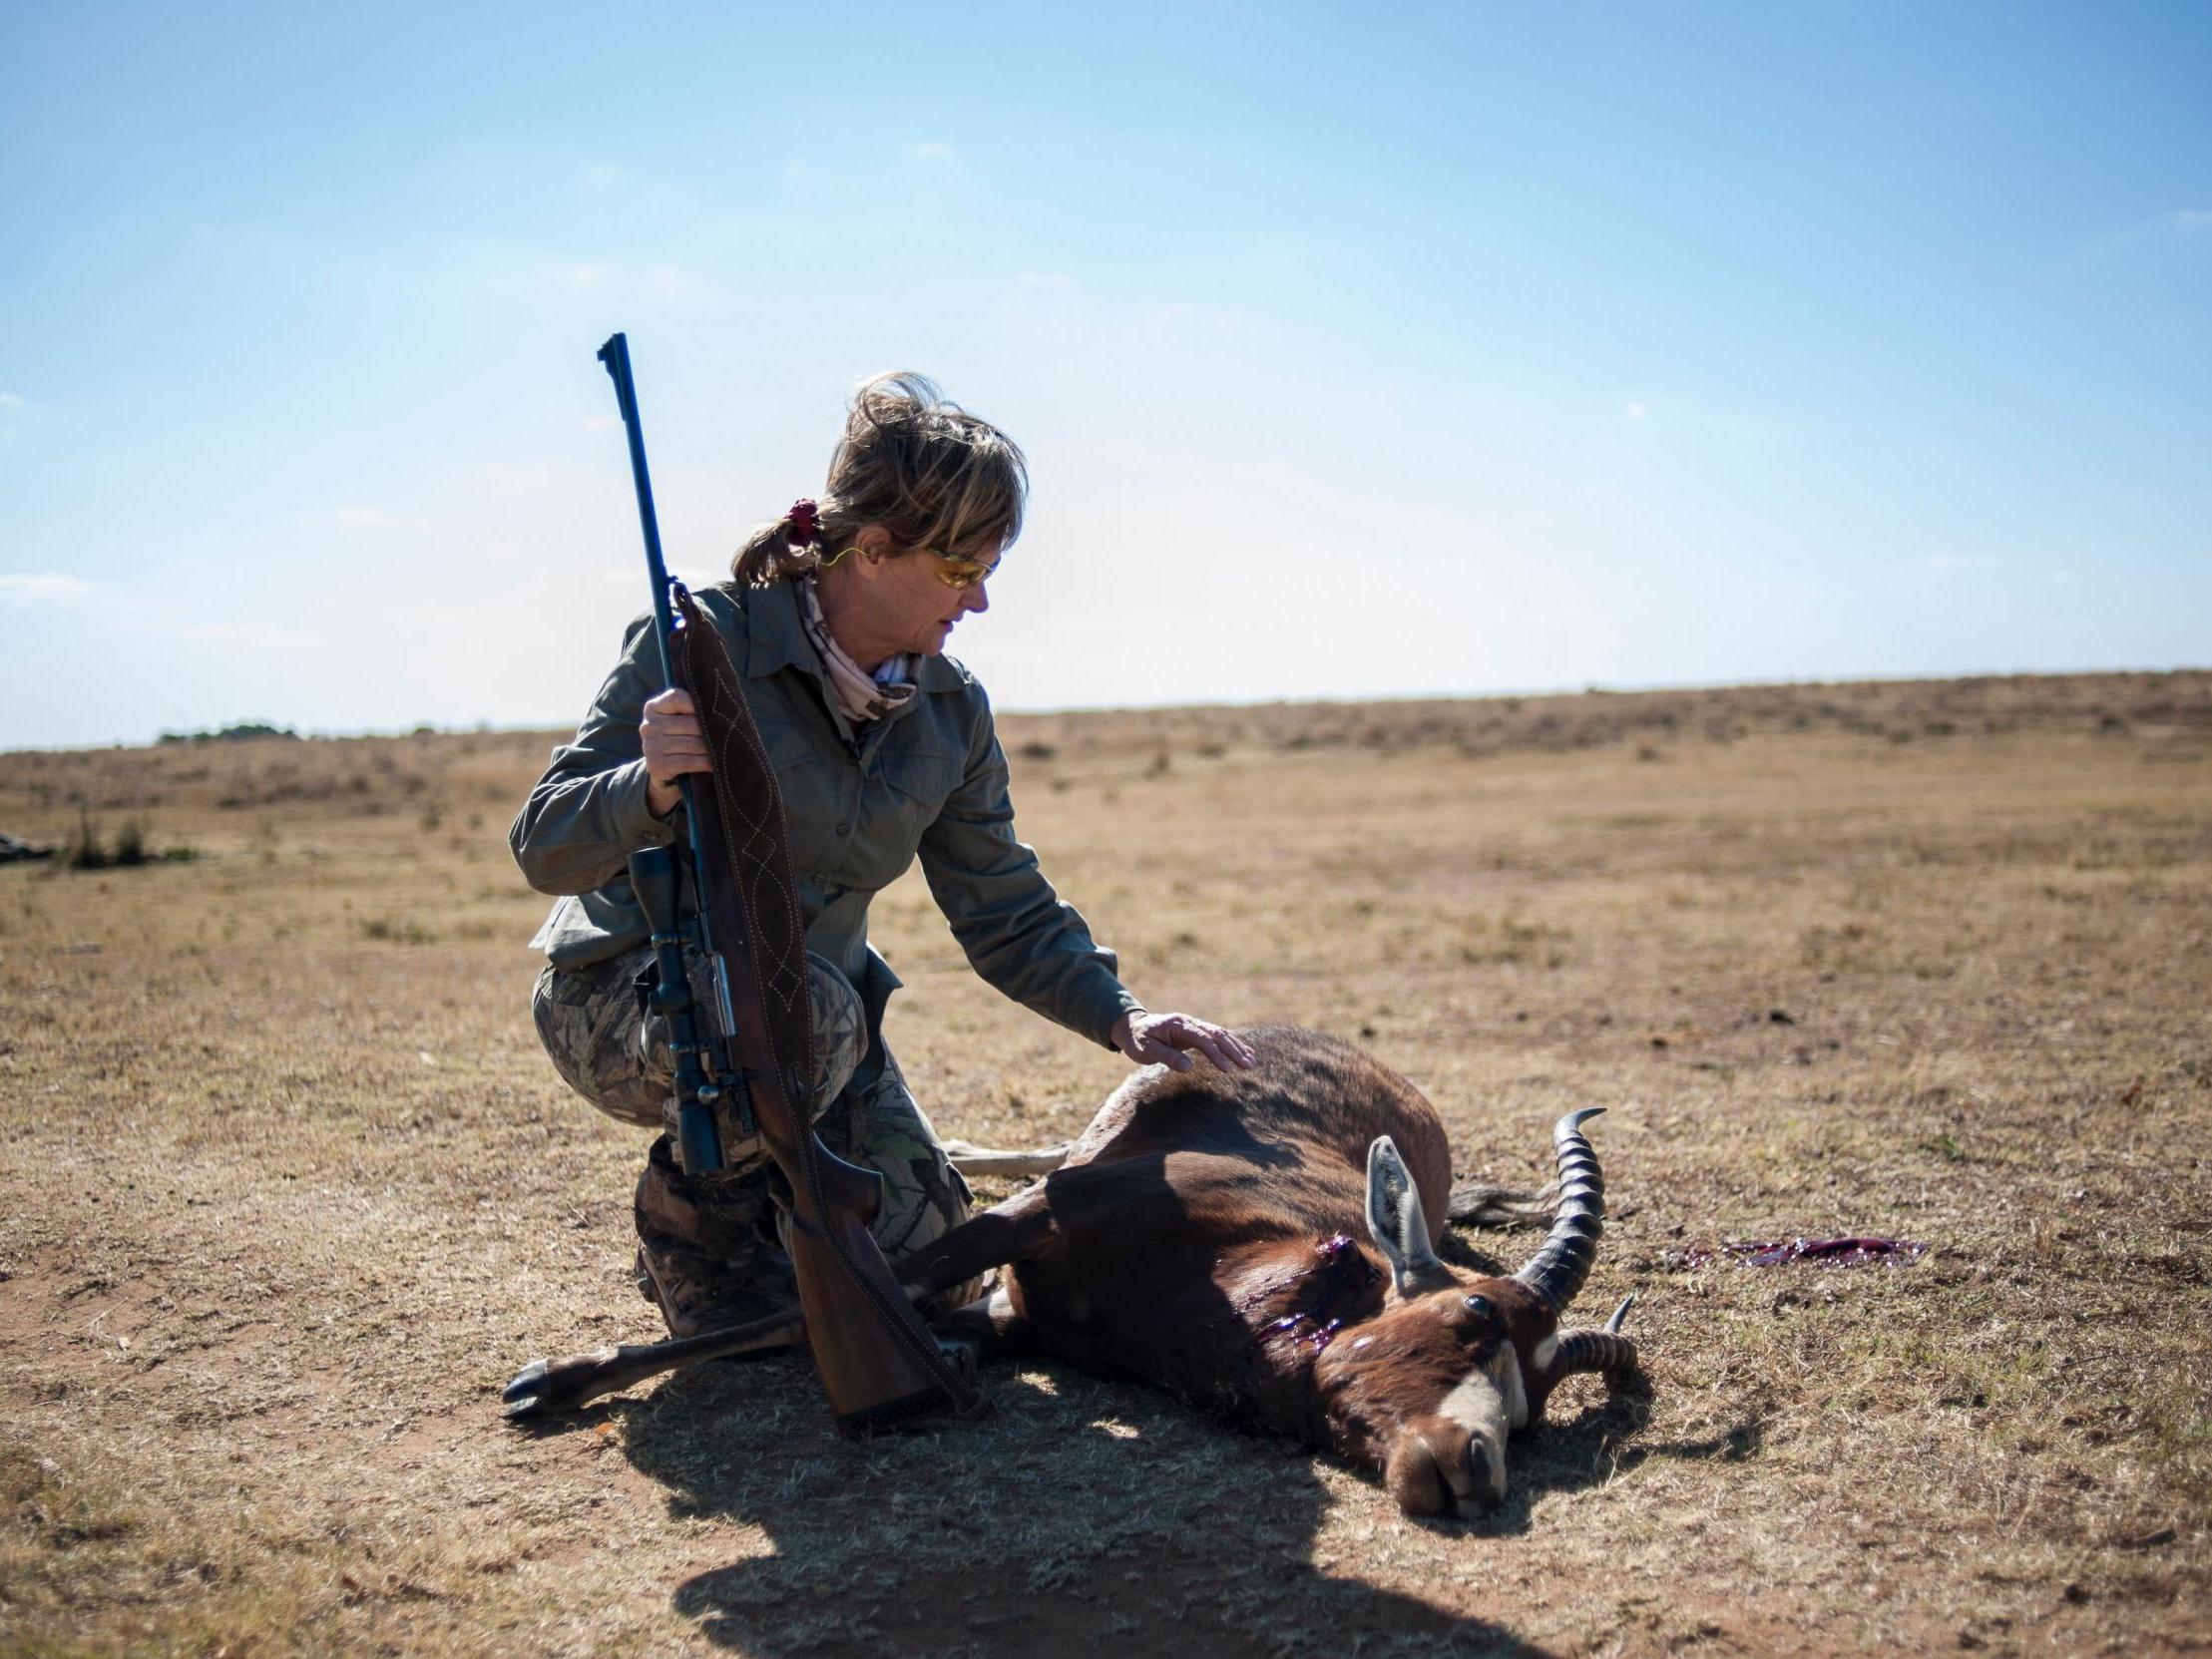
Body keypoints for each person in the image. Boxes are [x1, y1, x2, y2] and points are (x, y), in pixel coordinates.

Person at [511, 371, 1256, 1342]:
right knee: (810, 1016)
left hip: (814, 1022)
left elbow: (1007, 908)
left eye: (991, 569)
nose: (982, 599)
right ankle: (690, 1226)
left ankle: (774, 1215)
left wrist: (1123, 1015)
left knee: (934, 1260)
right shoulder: (698, 642)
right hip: (627, 999)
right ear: (871, 549)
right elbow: (542, 841)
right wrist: (645, 786)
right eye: (959, 570)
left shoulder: (951, 712)